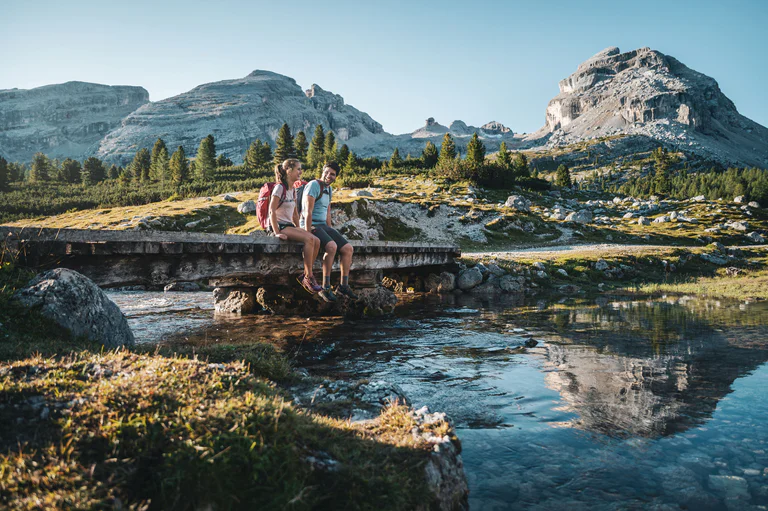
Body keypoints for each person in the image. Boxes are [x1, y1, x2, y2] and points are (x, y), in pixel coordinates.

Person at [301, 161, 358, 302]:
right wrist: (307, 234)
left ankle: (343, 286)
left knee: (348, 248)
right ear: (322, 171)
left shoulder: (329, 189)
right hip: (311, 224)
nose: (328, 176)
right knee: (331, 246)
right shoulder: (314, 185)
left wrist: (330, 229)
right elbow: (307, 211)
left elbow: (327, 211)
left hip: (323, 226)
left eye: (332, 174)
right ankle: (326, 287)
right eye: (326, 172)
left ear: (335, 177)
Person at [269, 158, 323, 295]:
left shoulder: (292, 189)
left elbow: (294, 213)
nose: (300, 172)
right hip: (280, 225)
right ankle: (308, 276)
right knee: (310, 240)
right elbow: (271, 210)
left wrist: (299, 228)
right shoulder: (279, 187)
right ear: (288, 170)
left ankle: (306, 274)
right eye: (298, 169)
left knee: (316, 240)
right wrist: (276, 232)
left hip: (289, 225)